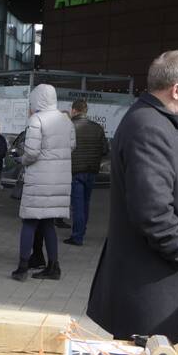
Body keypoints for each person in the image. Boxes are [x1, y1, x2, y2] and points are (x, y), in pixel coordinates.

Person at [86, 50, 178, 343]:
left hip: (149, 282)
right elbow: (152, 212)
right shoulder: (149, 126)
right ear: (176, 90)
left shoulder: (155, 121)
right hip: (148, 288)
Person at [11, 84, 75, 281]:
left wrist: (21, 160)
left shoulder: (36, 120)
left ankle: (22, 268)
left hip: (39, 179)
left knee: (29, 222)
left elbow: (31, 152)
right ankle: (53, 267)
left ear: (37, 100)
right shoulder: (66, 120)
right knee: (48, 224)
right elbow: (72, 146)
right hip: (60, 179)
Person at [65, 99, 109, 246]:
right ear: (86, 111)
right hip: (91, 170)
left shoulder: (69, 127)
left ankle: (77, 236)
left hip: (75, 171)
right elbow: (105, 150)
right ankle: (81, 230)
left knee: (77, 204)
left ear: (74, 110)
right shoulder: (98, 128)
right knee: (85, 203)